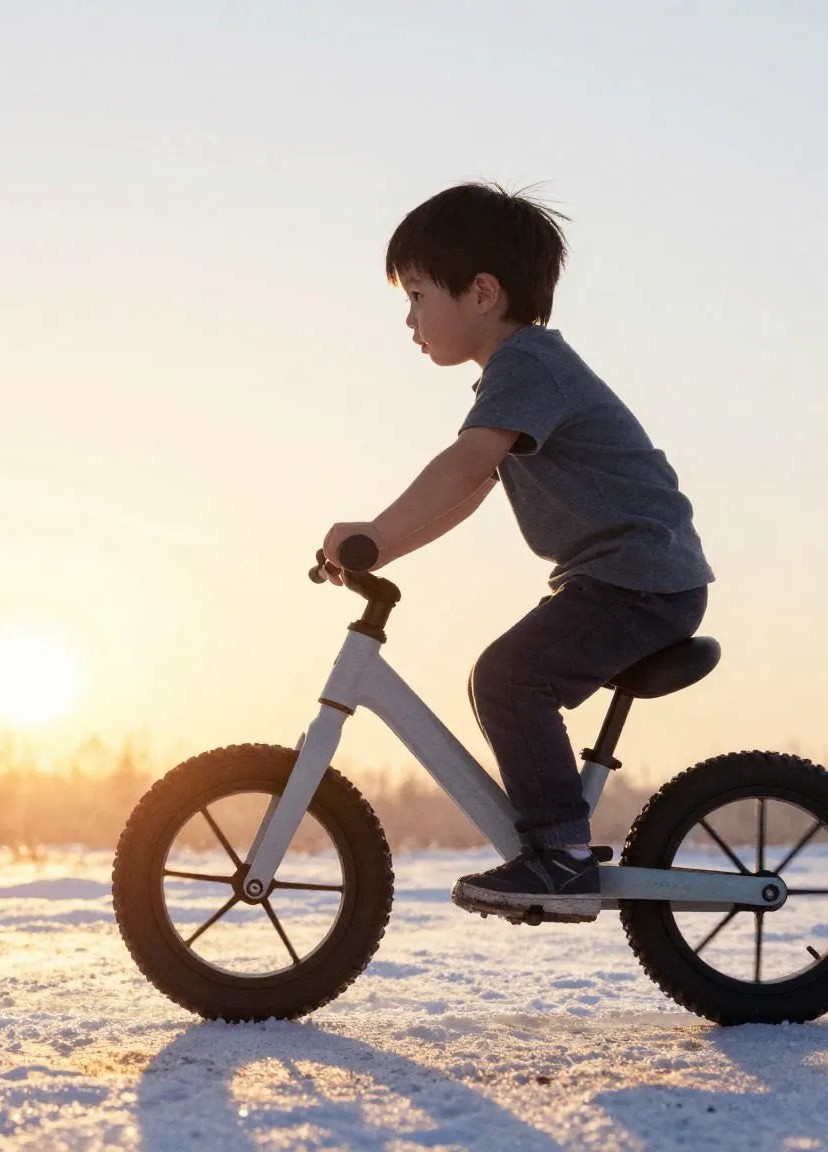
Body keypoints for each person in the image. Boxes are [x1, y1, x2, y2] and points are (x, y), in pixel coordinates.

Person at [319, 182, 714, 923]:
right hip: (625, 575)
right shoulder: (518, 374)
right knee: (505, 676)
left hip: (639, 576)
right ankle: (554, 848)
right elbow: (467, 493)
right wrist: (381, 549)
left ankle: (561, 861)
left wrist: (373, 528)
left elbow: (466, 468)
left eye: (415, 296)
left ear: (481, 293)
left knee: (508, 678)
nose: (408, 320)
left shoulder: (527, 365)